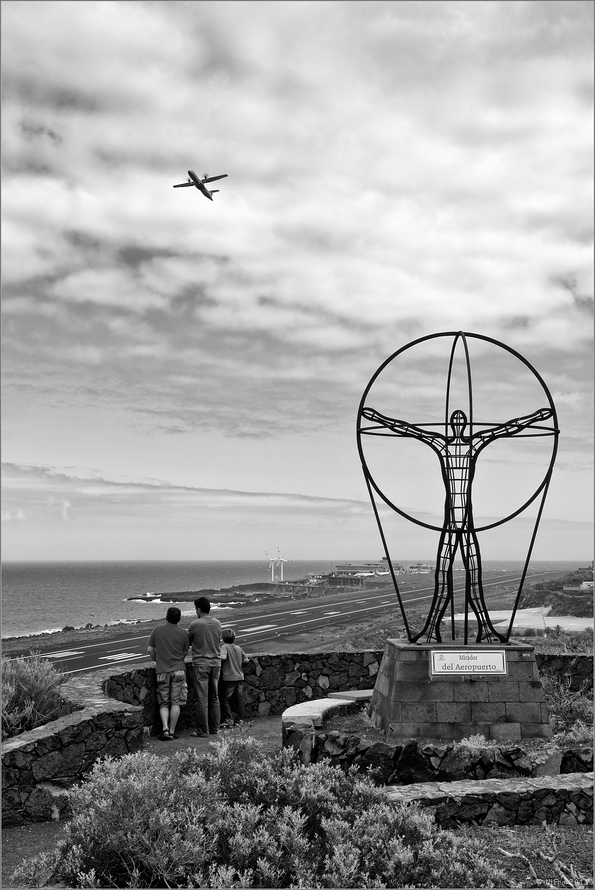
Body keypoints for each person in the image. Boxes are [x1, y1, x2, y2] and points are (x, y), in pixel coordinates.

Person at [361, 405, 553, 643]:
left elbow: (508, 428)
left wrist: (537, 417)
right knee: (442, 580)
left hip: (468, 525)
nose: (459, 423)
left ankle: (485, 629)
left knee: (475, 580)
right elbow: (407, 429)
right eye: (456, 419)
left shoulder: (475, 443)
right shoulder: (441, 444)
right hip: (450, 525)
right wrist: (376, 417)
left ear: (465, 423)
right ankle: (431, 630)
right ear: (452, 424)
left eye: (462, 419)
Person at [147, 607, 189, 741]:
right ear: (179, 619)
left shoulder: (157, 630)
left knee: (164, 702)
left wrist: (158, 660)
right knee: (176, 702)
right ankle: (172, 731)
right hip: (179, 670)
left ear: (166, 616)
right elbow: (185, 652)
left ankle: (164, 729)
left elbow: (150, 650)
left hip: (162, 670)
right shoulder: (183, 633)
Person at [187, 596, 222, 737]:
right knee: (214, 697)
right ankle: (214, 728)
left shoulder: (195, 624)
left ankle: (203, 730)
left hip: (201, 664)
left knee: (201, 699)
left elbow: (188, 641)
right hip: (216, 663)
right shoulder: (217, 623)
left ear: (199, 609)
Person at [219, 628, 249, 727]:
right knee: (239, 699)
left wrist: (215, 656)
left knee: (225, 699)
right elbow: (246, 660)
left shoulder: (224, 647)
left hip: (229, 677)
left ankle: (229, 719)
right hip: (240, 676)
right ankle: (240, 720)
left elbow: (223, 657)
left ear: (223, 638)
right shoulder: (238, 648)